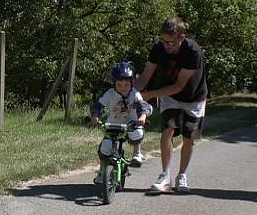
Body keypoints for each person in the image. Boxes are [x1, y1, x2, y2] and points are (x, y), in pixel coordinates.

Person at [135, 17, 208, 193]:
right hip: (169, 95)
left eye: (171, 42)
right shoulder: (158, 49)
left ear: (182, 37)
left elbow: (179, 86)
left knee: (189, 136)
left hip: (194, 98)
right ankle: (165, 176)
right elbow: (144, 78)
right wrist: (130, 94)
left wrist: (148, 95)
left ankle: (181, 175)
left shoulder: (193, 51)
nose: (167, 46)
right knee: (168, 129)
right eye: (163, 41)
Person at [89, 62, 153, 180]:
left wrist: (143, 116)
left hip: (132, 123)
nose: (123, 88)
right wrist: (95, 115)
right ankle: (102, 171)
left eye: (126, 85)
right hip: (113, 124)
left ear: (132, 83)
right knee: (105, 148)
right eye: (119, 85)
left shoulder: (135, 93)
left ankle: (137, 153)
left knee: (136, 133)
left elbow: (142, 105)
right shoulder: (110, 94)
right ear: (114, 84)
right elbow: (98, 105)